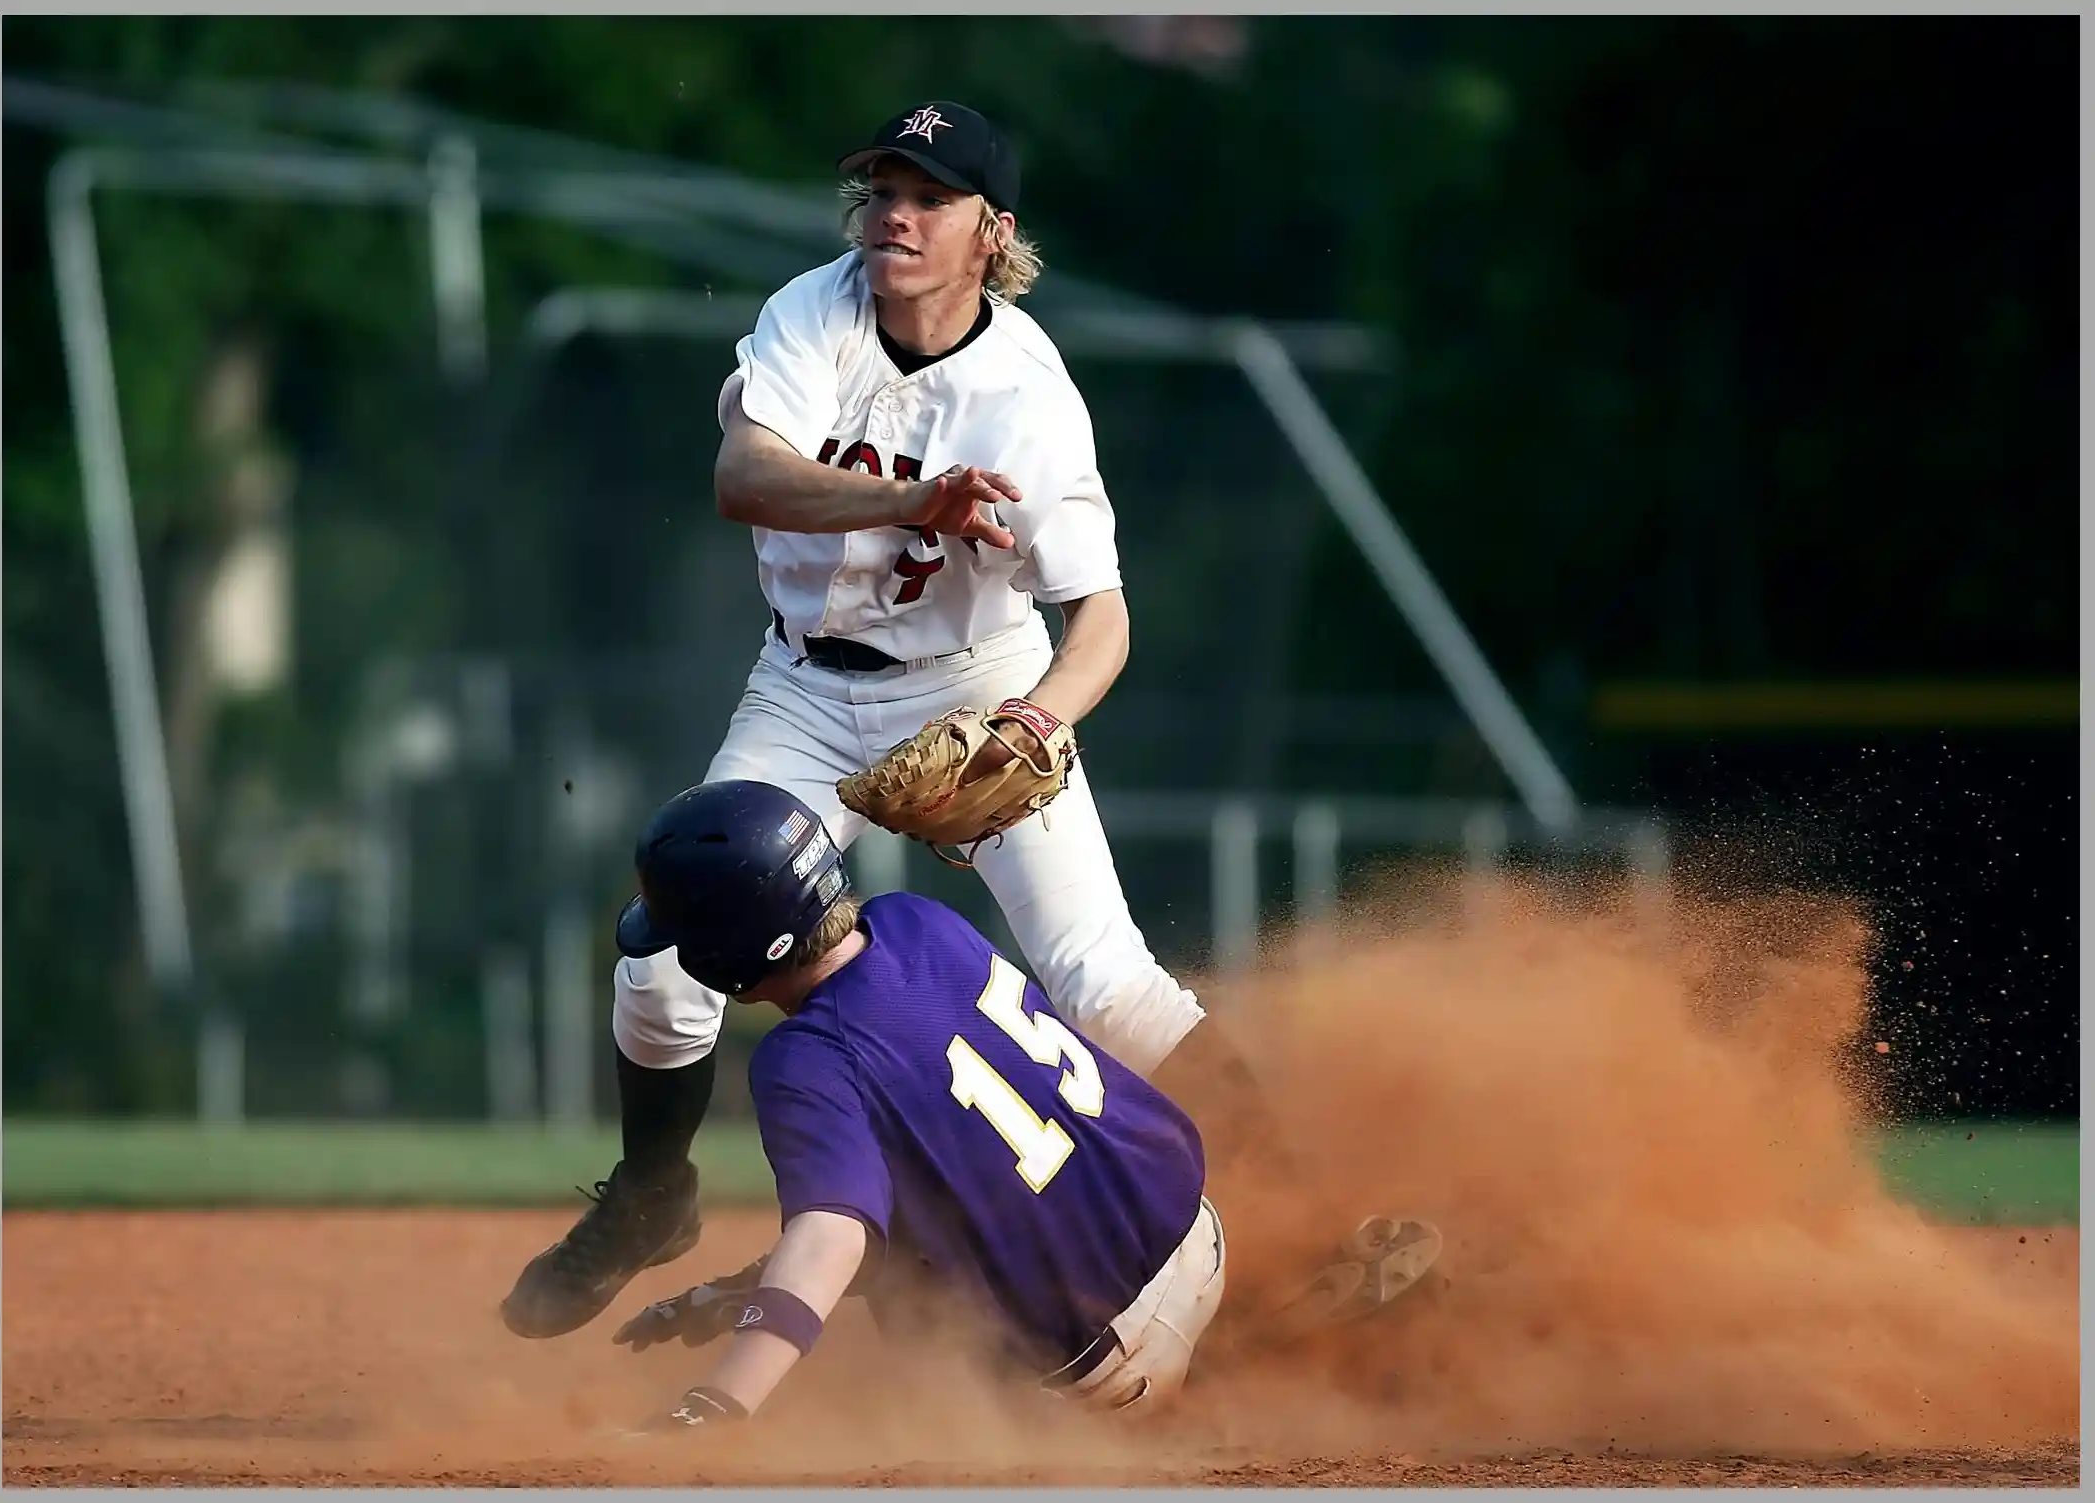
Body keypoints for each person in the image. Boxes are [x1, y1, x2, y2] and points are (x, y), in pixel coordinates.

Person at [500, 98, 1421, 1343]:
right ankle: (652, 1192)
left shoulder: (1027, 397)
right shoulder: (809, 312)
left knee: (1105, 985)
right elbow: (741, 477)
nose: (893, 213)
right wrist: (925, 500)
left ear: (989, 231)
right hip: (800, 690)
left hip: (973, 683)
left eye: (928, 196)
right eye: (880, 187)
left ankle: (1327, 1226)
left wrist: (1034, 725)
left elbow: (1101, 621)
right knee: (664, 962)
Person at [603, 779, 1229, 1427]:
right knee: (919, 1195)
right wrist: (741, 1292)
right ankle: (1245, 1346)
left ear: (722, 953)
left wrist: (716, 1404)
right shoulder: (916, 920)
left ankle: (1145, 1402)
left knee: (916, 1321)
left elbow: (833, 1235)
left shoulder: (804, 1056)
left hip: (1112, 1365)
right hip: (1201, 1235)